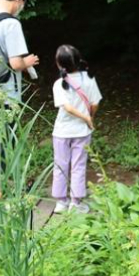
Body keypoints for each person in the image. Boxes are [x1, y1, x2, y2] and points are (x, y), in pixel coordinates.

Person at [51, 45, 102, 214]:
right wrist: (88, 117)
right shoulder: (89, 79)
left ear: (59, 64)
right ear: (78, 59)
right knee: (78, 166)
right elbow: (94, 104)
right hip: (82, 131)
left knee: (60, 165)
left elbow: (66, 107)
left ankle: (61, 202)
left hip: (61, 131)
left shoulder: (59, 83)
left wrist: (86, 117)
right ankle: (76, 202)